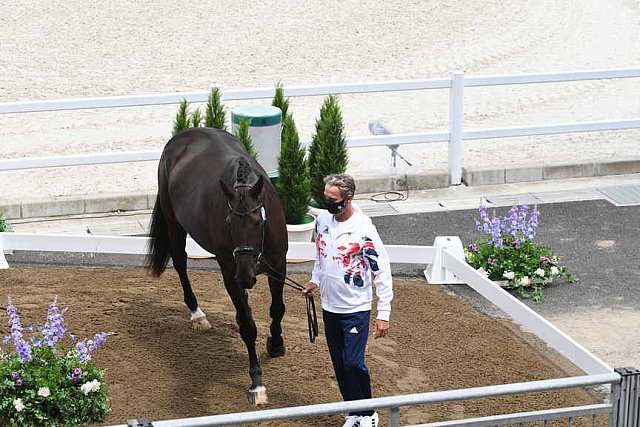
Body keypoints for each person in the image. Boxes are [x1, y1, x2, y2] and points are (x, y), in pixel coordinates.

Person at [303, 173, 393, 427]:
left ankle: (369, 413)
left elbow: (381, 272)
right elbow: (321, 256)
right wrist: (315, 280)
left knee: (354, 363)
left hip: (355, 308)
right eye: (325, 198)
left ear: (348, 198)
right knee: (340, 365)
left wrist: (383, 313)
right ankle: (354, 412)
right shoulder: (322, 221)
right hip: (329, 307)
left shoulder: (364, 230)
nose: (328, 203)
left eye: (332, 199)